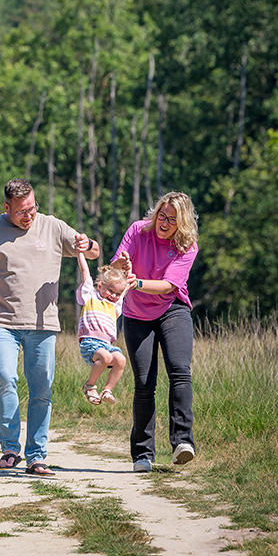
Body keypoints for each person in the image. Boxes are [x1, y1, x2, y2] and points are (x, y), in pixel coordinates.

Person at [0, 179, 99, 477]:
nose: (29, 216)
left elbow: (92, 251)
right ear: (7, 208)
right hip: (2, 322)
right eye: (22, 211)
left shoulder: (53, 226)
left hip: (43, 323)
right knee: (5, 377)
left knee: (41, 387)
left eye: (32, 208)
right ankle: (10, 449)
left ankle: (36, 455)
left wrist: (89, 244)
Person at [110, 191, 200, 473]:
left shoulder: (188, 245)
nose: (164, 222)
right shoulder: (138, 230)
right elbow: (114, 269)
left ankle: (183, 442)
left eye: (172, 219)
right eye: (162, 215)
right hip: (136, 314)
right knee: (145, 383)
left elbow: (168, 286)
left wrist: (137, 283)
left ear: (182, 222)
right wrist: (121, 267)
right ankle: (142, 454)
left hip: (172, 308)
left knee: (179, 370)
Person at [75, 251, 130, 406]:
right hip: (89, 343)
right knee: (105, 357)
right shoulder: (90, 296)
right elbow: (85, 271)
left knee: (121, 360)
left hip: (106, 344)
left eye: (117, 294)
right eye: (110, 291)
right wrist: (80, 253)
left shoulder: (115, 306)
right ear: (100, 286)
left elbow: (125, 288)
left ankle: (107, 390)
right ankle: (90, 386)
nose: (113, 296)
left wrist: (128, 269)